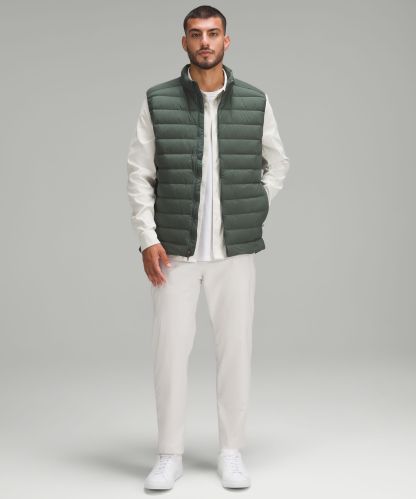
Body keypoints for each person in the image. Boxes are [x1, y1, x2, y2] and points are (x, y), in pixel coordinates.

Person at [126, 4, 290, 491]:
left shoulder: (255, 100)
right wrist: (147, 239)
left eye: (213, 33)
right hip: (173, 253)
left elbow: (278, 162)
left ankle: (231, 452)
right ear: (184, 42)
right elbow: (139, 174)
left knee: (235, 352)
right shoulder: (158, 100)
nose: (204, 42)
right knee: (169, 355)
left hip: (234, 251)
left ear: (226, 41)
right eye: (196, 34)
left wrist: (256, 204)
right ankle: (168, 454)